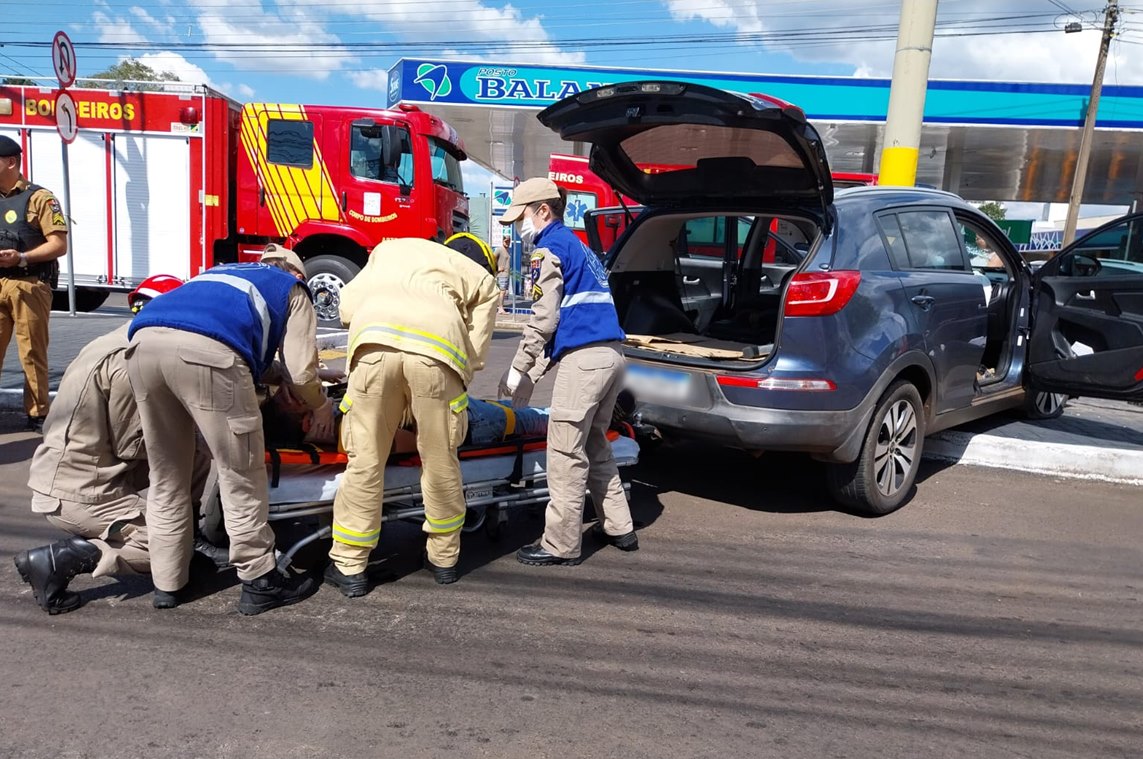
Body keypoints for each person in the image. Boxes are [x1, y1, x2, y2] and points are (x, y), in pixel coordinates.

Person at [125, 247, 335, 614]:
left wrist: (276, 375)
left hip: (143, 346)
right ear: (297, 275)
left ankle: (169, 581)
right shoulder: (291, 288)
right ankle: (259, 579)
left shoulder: (221, 273)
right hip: (207, 355)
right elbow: (301, 371)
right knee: (241, 469)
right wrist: (319, 404)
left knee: (168, 473)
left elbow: (226, 334)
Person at [13, 275, 214, 614]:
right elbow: (131, 445)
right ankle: (61, 559)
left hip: (83, 475)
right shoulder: (129, 362)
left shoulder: (118, 339)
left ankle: (187, 533)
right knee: (167, 550)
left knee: (193, 453)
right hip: (80, 492)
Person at [324, 234, 499, 596]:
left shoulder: (387, 249)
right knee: (440, 461)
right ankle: (443, 560)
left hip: (374, 348)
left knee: (366, 461)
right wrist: (469, 360)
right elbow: (489, 292)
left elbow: (345, 306)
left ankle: (350, 564)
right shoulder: (465, 268)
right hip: (437, 353)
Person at [497, 178, 637, 566]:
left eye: (521, 216)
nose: (518, 227)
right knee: (595, 443)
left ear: (543, 210)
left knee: (564, 452)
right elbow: (571, 324)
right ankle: (619, 527)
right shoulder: (581, 248)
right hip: (611, 356)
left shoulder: (549, 249)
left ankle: (560, 544)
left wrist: (518, 368)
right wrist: (534, 373)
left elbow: (544, 321)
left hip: (587, 361)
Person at [0, 135, 68, 433]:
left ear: (11, 162)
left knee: (31, 351)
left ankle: (38, 413)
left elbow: (58, 244)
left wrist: (22, 256)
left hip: (29, 284)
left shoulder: (40, 198)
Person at [494, 233, 512, 312]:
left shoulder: (507, 251)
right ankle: (500, 308)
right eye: (505, 241)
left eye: (508, 241)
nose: (507, 243)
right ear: (502, 241)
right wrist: (497, 268)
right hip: (501, 274)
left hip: (506, 274)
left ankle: (500, 307)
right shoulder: (499, 249)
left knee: (503, 292)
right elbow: (492, 258)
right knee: (502, 291)